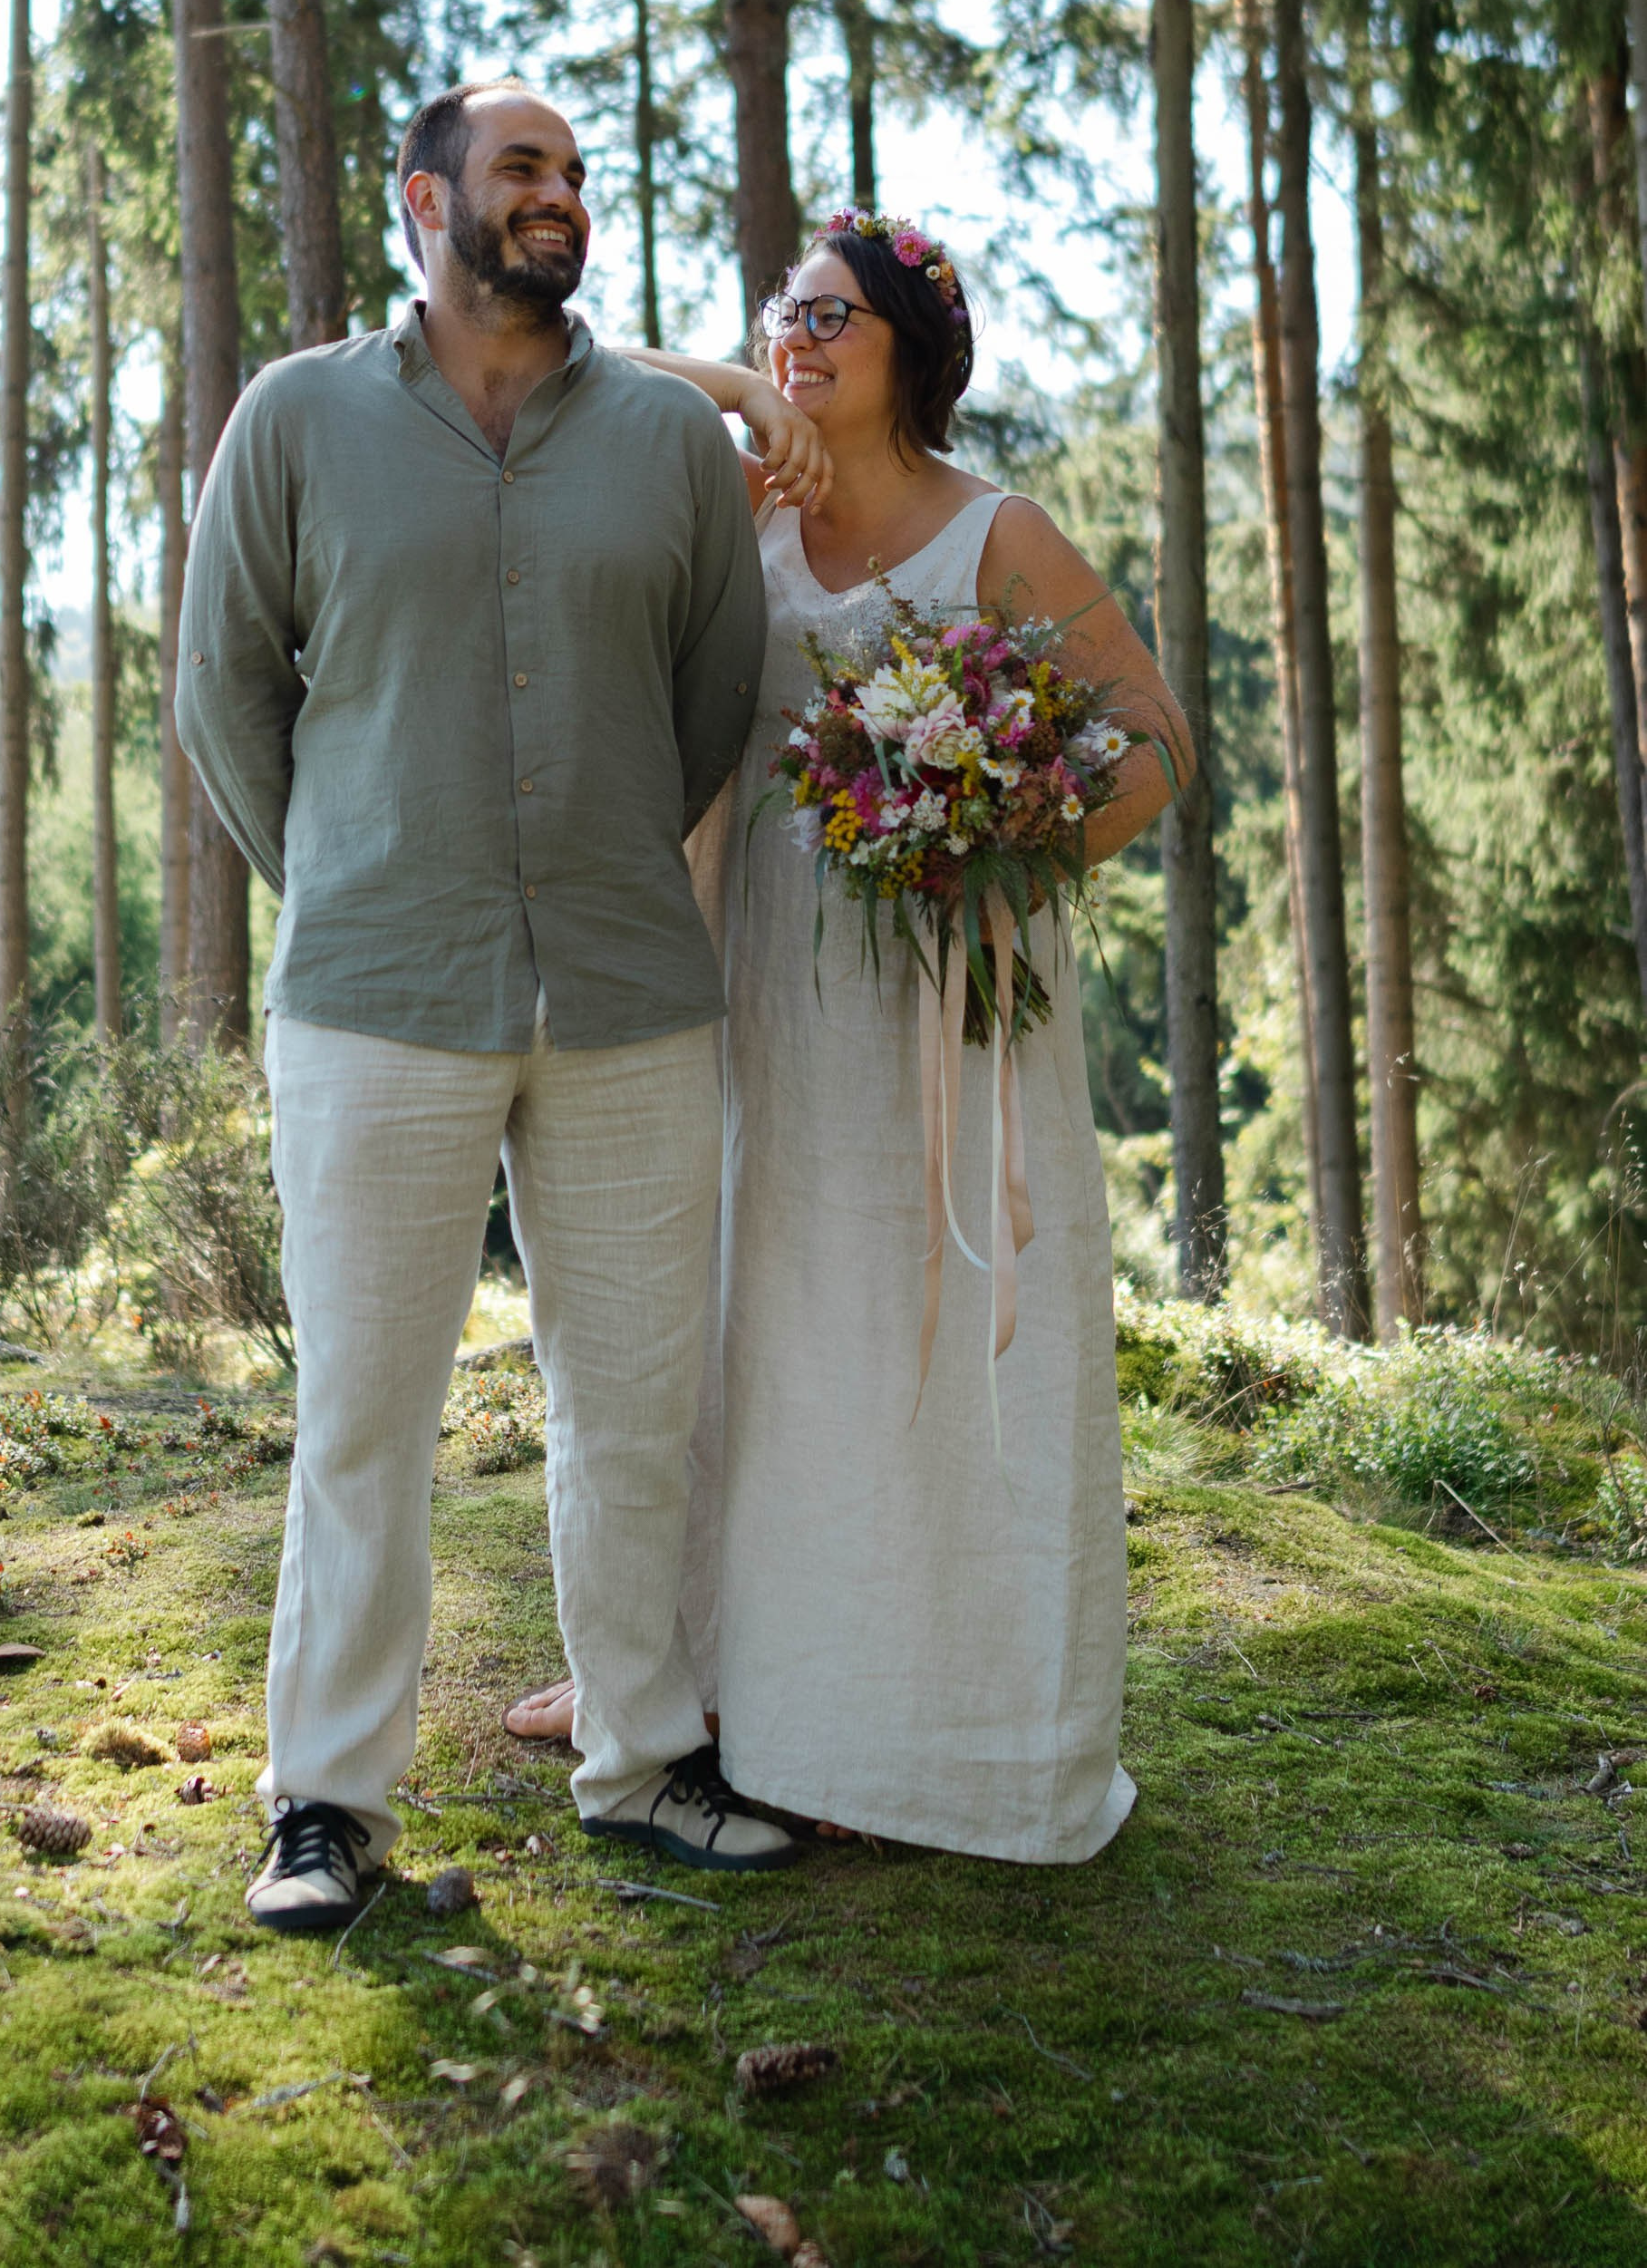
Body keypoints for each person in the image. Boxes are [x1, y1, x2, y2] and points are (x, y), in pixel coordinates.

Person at [176, 80, 828, 1932]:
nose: (561, 197)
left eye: (575, 174)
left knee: (631, 1406)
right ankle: (325, 1803)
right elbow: (225, 686)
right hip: (376, 998)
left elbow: (712, 703)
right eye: (522, 167)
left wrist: (609, 854)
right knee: (364, 1418)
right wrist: (360, 872)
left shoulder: (667, 446)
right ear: (424, 202)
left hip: (630, 990)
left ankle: (642, 1761)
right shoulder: (297, 420)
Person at [505, 208, 1187, 1861]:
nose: (795, 342)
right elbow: (594, 382)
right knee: (758, 1322)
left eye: (829, 320)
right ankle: (708, 1680)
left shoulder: (994, 535)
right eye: (778, 316)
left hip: (954, 1007)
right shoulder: (739, 525)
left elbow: (1151, 746)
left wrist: (998, 828)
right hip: (766, 1001)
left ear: (912, 350)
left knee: (939, 1323)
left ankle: (954, 1710)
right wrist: (743, 386)